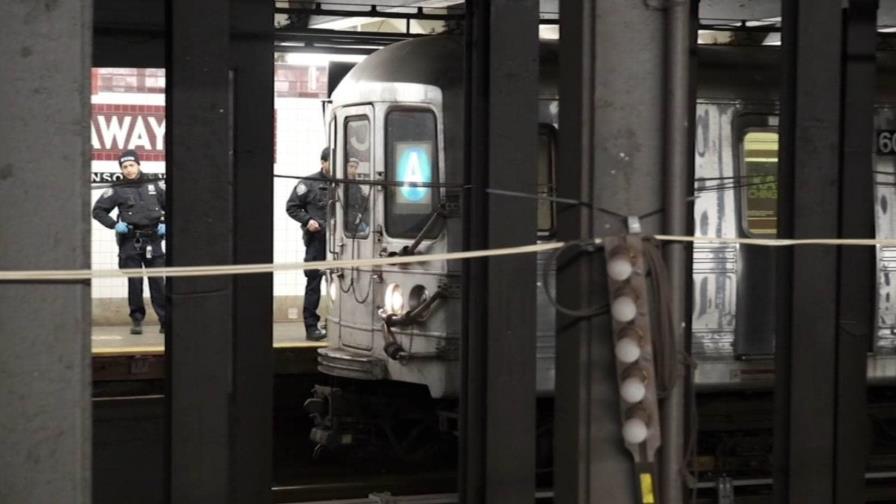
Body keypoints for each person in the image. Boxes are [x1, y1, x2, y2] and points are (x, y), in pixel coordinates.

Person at [92, 149, 167, 335]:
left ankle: (165, 320)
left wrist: (166, 223)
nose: (128, 169)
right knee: (134, 282)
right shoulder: (117, 188)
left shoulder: (155, 184)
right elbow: (98, 211)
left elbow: (173, 204)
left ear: (138, 164)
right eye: (124, 167)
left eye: (131, 165)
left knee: (158, 281)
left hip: (153, 240)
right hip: (130, 242)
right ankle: (137, 320)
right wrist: (113, 225)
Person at [286, 147, 331, 341]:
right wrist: (307, 221)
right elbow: (292, 207)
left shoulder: (346, 183)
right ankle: (311, 327)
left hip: (343, 243)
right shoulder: (308, 184)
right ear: (323, 162)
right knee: (314, 282)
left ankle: (337, 322)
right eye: (332, 161)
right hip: (318, 241)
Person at [345, 157, 370, 236]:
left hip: (356, 222)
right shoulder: (340, 186)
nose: (353, 171)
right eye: (351, 167)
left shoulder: (357, 187)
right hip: (345, 223)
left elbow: (364, 203)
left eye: (355, 168)